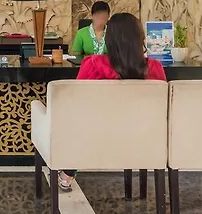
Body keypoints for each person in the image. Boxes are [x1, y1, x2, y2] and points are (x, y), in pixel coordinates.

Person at [59, 13, 166, 192]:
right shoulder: (155, 68)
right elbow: (160, 110)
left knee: (77, 117)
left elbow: (78, 102)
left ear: (109, 39)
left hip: (96, 139)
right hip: (142, 139)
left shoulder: (92, 64)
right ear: (140, 38)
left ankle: (68, 171)